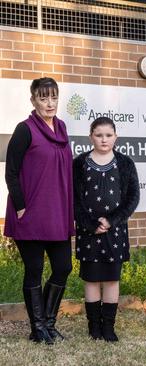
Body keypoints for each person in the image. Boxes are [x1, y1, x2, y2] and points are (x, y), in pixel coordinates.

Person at [4, 77, 74, 344]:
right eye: (43, 98)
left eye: (54, 97)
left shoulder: (63, 129)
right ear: (33, 100)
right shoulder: (25, 130)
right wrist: (21, 207)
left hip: (57, 214)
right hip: (30, 214)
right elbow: (11, 172)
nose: (50, 103)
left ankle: (48, 323)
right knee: (34, 270)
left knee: (63, 267)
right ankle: (38, 328)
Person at [73, 117, 140, 342]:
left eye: (108, 135)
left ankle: (108, 327)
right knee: (91, 280)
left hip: (115, 232)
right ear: (91, 136)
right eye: (99, 135)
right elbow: (74, 199)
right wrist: (90, 224)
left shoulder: (126, 163)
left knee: (111, 280)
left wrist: (111, 220)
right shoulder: (79, 163)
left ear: (116, 137)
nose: (104, 139)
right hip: (88, 232)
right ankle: (94, 327)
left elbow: (132, 198)